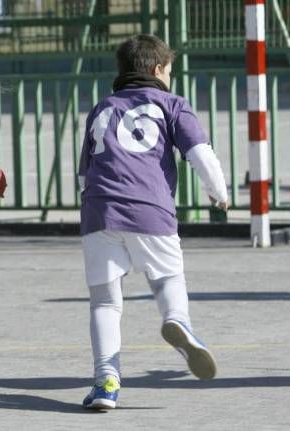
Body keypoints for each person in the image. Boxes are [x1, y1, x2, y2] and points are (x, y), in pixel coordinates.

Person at [78, 34, 228, 410]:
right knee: (167, 279)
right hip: (149, 207)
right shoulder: (172, 103)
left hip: (98, 210)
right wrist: (219, 193)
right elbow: (200, 153)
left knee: (104, 304)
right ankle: (178, 322)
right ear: (158, 69)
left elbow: (84, 173)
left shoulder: (102, 108)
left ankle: (106, 382)